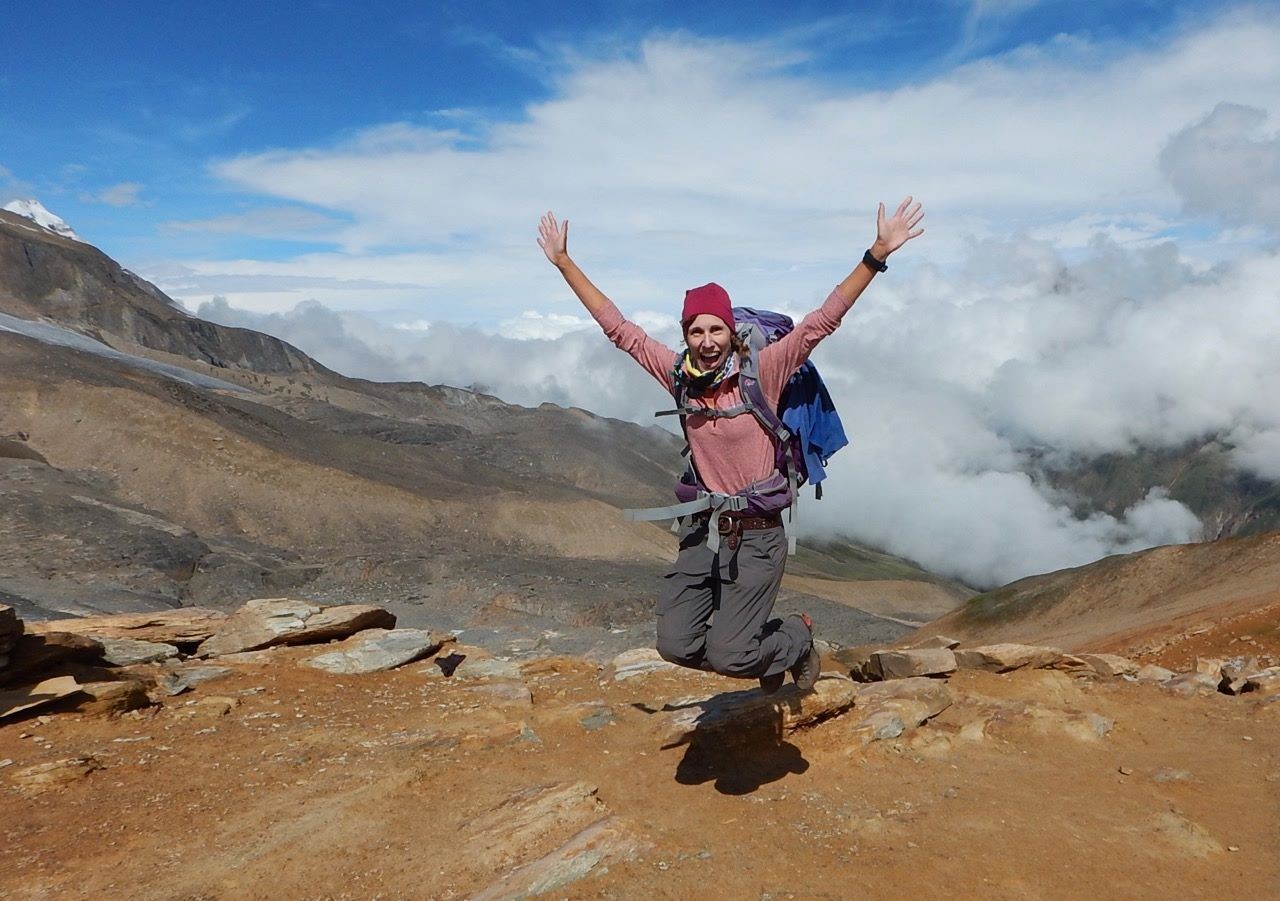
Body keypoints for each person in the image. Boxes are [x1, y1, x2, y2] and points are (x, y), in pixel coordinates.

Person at [537, 199, 924, 692]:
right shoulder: (677, 375)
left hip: (759, 536)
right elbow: (620, 331)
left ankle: (795, 638)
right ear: (685, 335)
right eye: (695, 330)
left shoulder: (763, 371)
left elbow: (820, 322)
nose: (706, 339)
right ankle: (758, 652)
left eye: (715, 328)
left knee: (730, 655)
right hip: (704, 532)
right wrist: (565, 263)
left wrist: (875, 255)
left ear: (731, 332)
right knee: (676, 645)